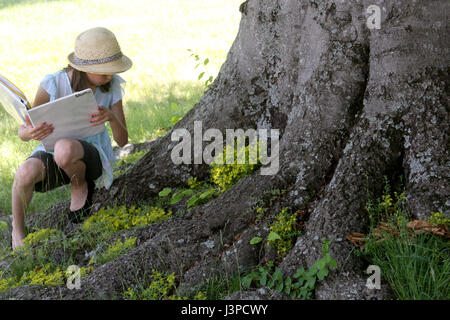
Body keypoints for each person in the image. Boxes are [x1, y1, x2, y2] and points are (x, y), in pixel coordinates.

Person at [11, 27, 133, 250]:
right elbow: (24, 128)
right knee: (25, 172)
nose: (110, 75)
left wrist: (112, 117)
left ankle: (80, 185)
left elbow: (123, 140)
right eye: (103, 71)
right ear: (83, 68)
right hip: (52, 153)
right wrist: (29, 133)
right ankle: (17, 232)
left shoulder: (111, 86)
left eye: (112, 70)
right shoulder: (53, 84)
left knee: (64, 148)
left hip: (90, 158)